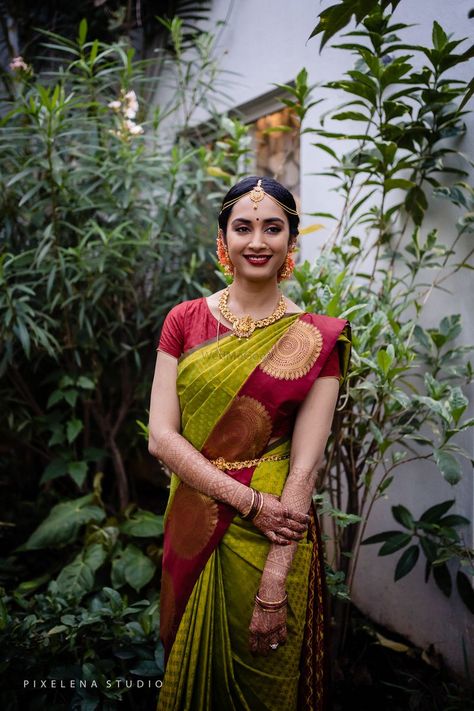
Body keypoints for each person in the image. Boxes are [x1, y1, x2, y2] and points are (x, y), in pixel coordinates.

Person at [148, 176, 351, 710]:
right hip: (196, 518)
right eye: (243, 227)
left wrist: (275, 582)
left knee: (265, 685)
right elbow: (161, 438)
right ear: (224, 240)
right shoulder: (184, 322)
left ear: (290, 242)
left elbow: (305, 468)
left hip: (274, 538)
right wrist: (248, 501)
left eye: (272, 228)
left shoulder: (315, 338)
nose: (257, 240)